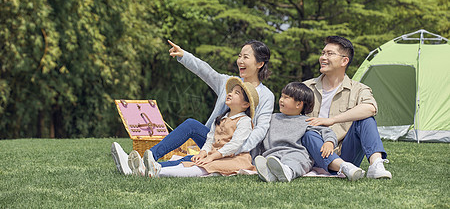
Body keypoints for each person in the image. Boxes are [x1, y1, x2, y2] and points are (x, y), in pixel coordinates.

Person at [111, 39, 274, 175]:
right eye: (239, 56)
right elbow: (206, 71)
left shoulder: (266, 96)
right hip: (213, 141)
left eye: (246, 57)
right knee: (192, 127)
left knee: (188, 160)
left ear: (260, 63)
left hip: (238, 150)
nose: (240, 61)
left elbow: (261, 129)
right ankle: (143, 161)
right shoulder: (229, 83)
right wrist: (184, 56)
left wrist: (236, 149)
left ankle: (143, 167)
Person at [128, 77, 258, 177]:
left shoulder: (244, 121)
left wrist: (211, 156)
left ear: (246, 104)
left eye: (236, 93)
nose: (230, 93)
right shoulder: (221, 118)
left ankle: (156, 170)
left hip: (232, 158)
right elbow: (210, 139)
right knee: (191, 159)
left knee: (194, 164)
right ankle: (147, 164)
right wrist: (203, 153)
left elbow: (235, 145)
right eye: (231, 91)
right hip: (213, 153)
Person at [301, 36, 392, 179]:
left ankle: (376, 165)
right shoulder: (306, 87)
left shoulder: (358, 89)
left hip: (346, 155)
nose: (323, 57)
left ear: (344, 61)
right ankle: (339, 166)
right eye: (323, 53)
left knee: (366, 119)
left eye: (330, 54)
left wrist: (333, 120)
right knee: (308, 132)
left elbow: (370, 108)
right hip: (311, 152)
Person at [254, 82, 365, 182]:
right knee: (269, 160)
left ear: (299, 104)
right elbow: (260, 134)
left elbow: (327, 131)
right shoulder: (272, 118)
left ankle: (288, 172)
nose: (281, 100)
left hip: (296, 153)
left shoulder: (306, 121)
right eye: (282, 96)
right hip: (273, 153)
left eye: (286, 97)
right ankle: (271, 174)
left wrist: (329, 142)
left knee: (293, 160)